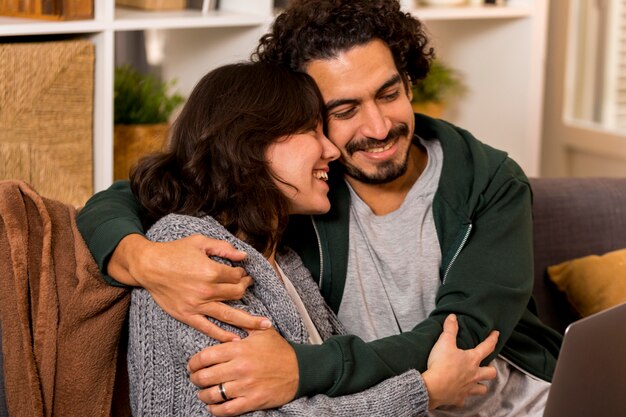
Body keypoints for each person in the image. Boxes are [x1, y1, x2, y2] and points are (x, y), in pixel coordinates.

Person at [76, 1, 563, 416]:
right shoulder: (294, 197)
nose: (377, 127)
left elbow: (459, 340)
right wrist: (144, 259)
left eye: (389, 94)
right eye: (344, 111)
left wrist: (300, 368)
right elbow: (145, 189)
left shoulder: (491, 182)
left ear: (410, 84)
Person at [124, 61, 498, 416]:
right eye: (311, 131)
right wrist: (426, 391)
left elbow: (334, 391)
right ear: (250, 144)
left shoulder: (282, 257)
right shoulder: (189, 249)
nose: (331, 150)